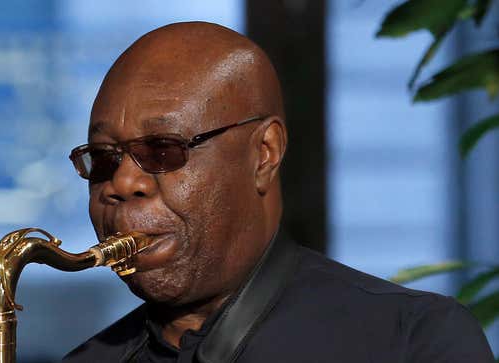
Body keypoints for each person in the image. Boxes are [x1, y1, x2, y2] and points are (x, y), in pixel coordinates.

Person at [63, 22, 493, 362]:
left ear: (264, 154)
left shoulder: (412, 341)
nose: (121, 183)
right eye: (103, 158)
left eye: (162, 149)